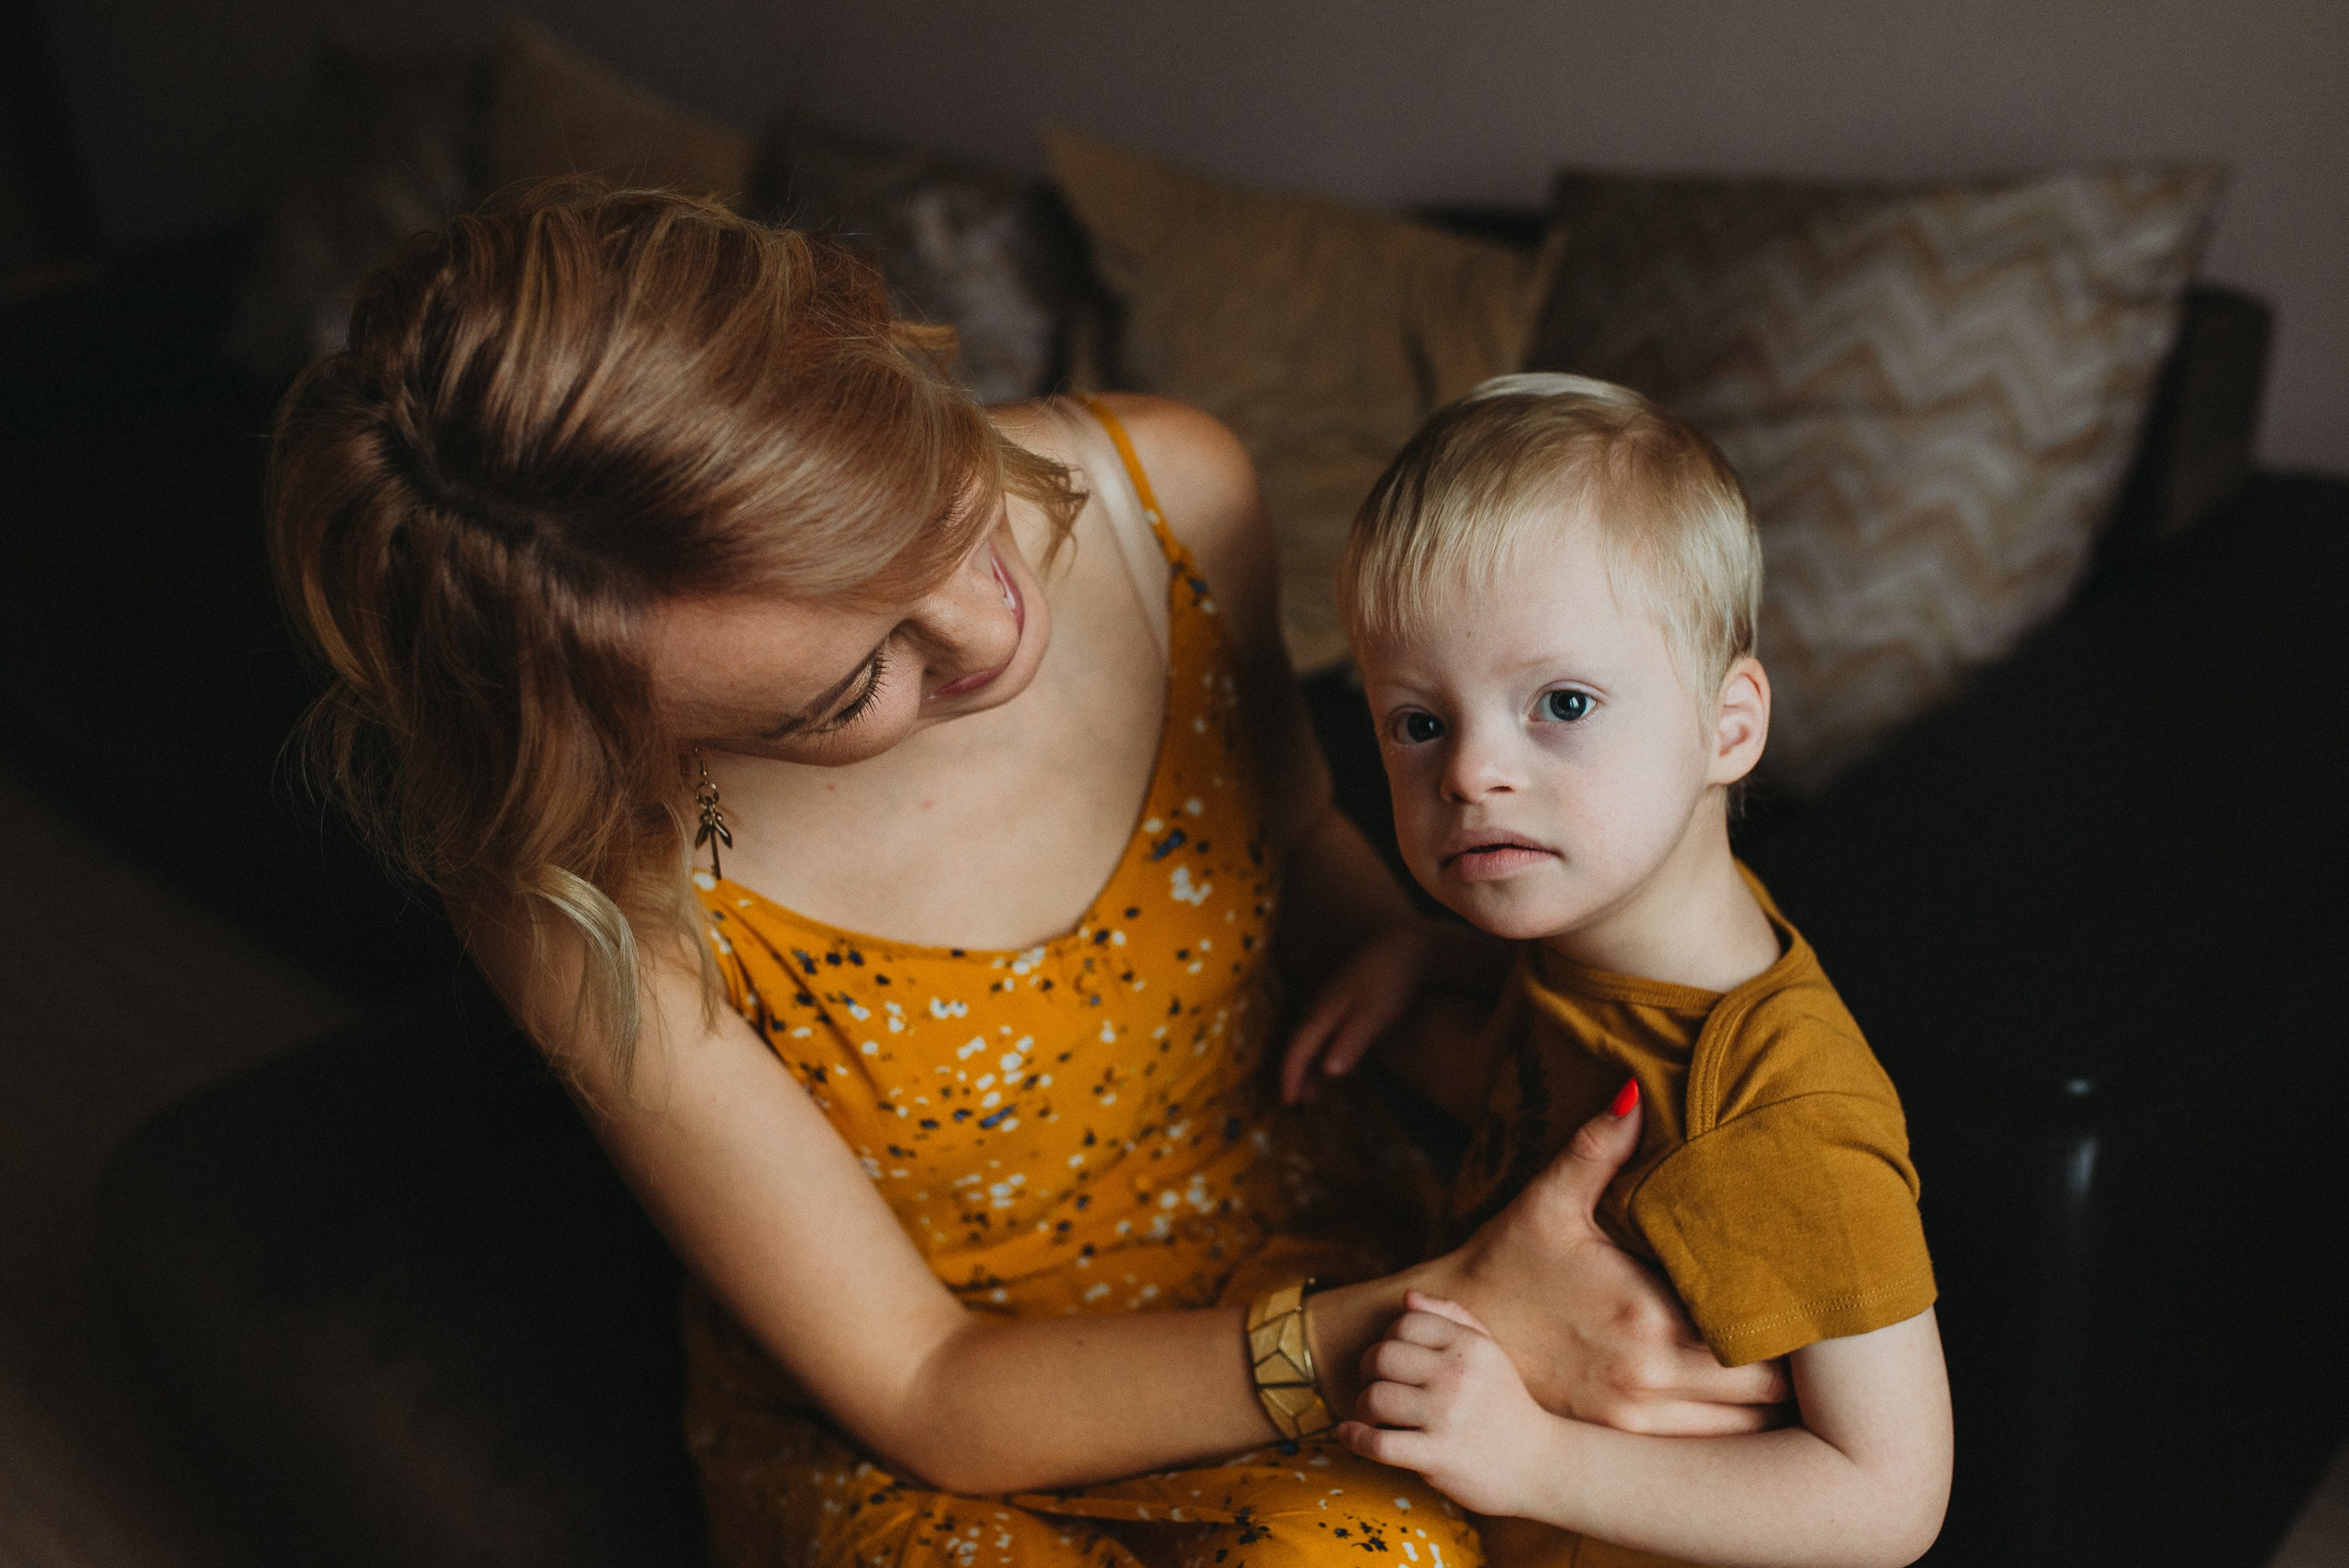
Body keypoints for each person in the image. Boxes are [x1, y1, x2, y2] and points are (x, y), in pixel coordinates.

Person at [264, 184, 1787, 1568]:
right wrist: (1429, 1323)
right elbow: (925, 1384)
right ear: (636, 744)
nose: (983, 632)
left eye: (938, 498)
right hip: (962, 1416)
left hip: (1303, 1217)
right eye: (846, 688)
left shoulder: (1174, 491)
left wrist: (1461, 998)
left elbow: (1300, 844)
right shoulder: (578, 878)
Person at [1286, 374, 1953, 1568]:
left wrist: (1539, 1462)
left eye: (1563, 702)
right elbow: (1542, 1099)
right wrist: (1421, 954)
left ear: (1729, 725)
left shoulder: (1779, 1116)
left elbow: (1889, 1501)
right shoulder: (1604, 930)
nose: (1473, 772)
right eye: (1418, 721)